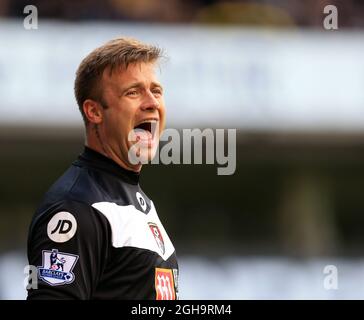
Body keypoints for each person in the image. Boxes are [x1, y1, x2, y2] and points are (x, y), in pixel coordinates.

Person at [27, 37, 179, 300]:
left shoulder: (137, 200)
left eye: (156, 90)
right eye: (133, 92)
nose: (151, 102)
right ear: (94, 112)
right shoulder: (77, 207)